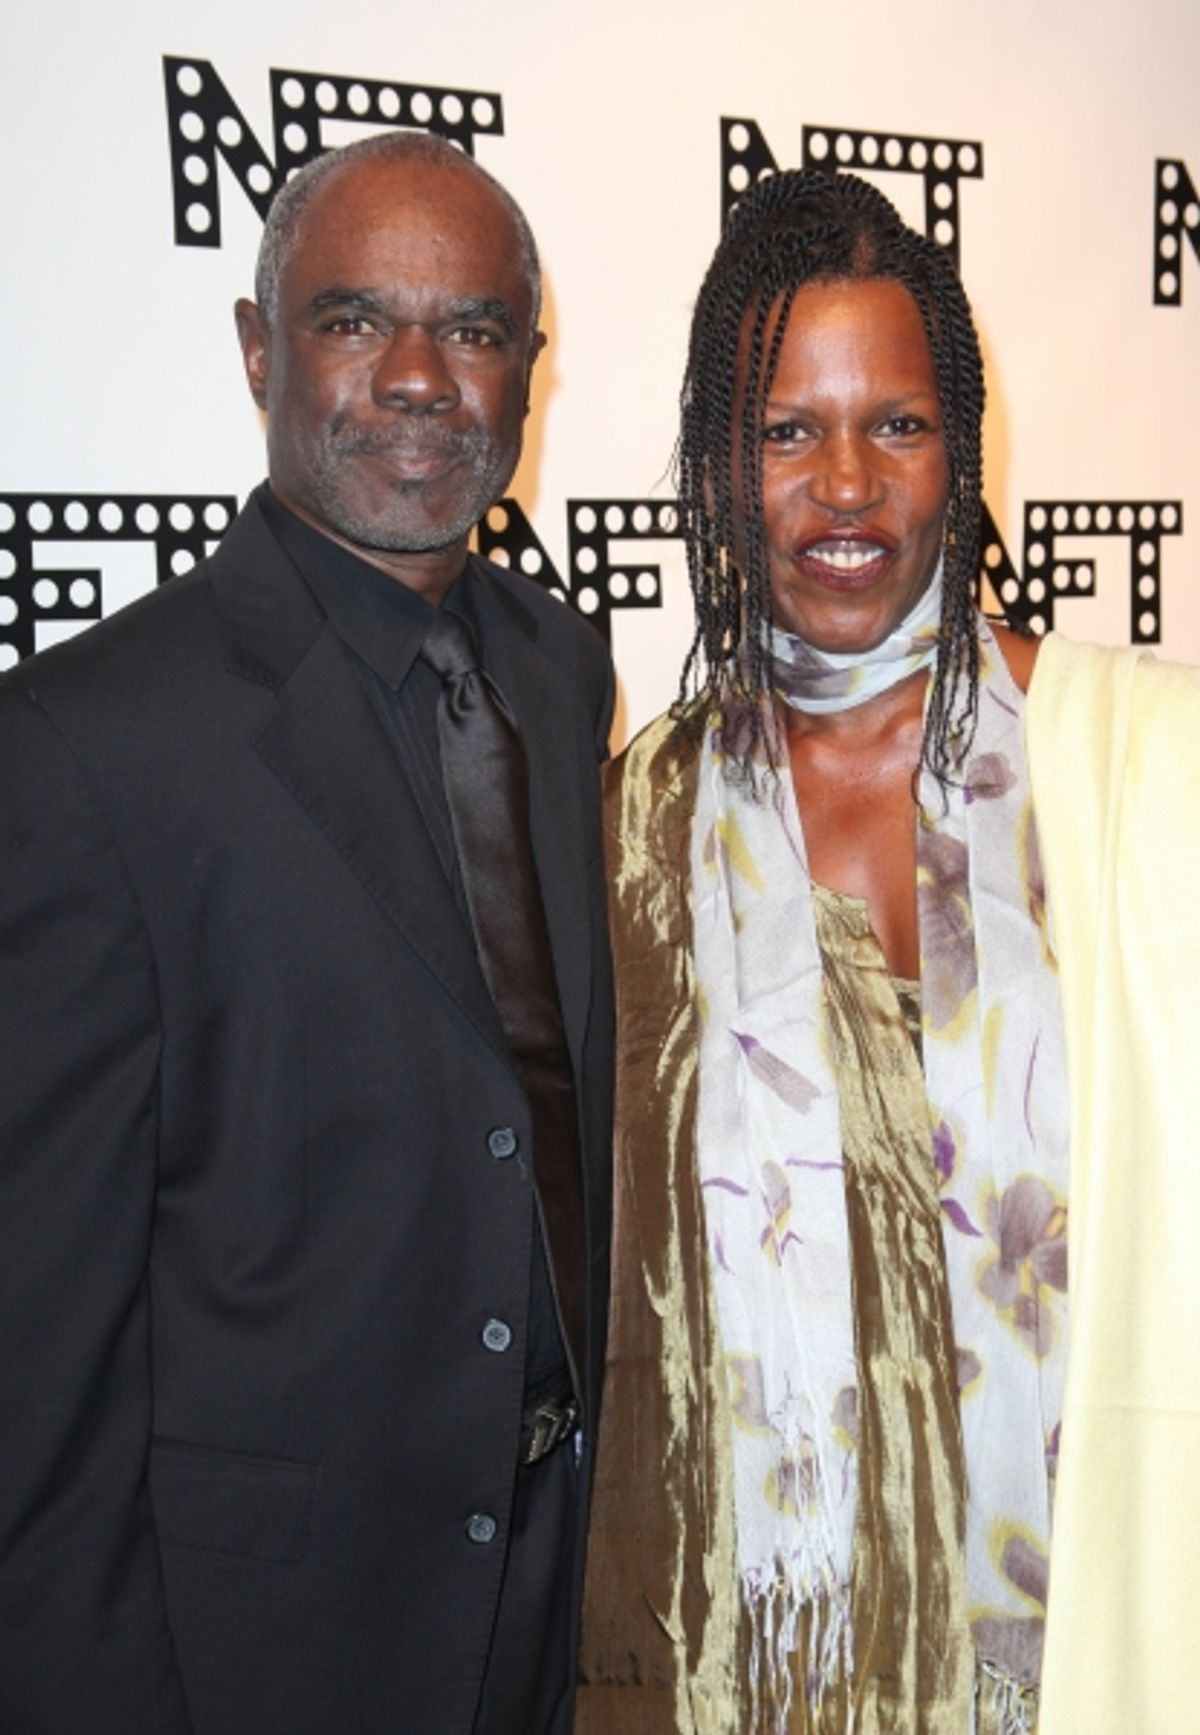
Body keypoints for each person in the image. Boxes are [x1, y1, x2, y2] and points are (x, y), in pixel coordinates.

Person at [0, 131, 613, 1735]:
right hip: (275, 1646)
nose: (420, 377)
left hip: (559, 1604)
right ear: (261, 350)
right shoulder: (86, 746)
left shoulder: (563, 675)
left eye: (474, 330)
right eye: (357, 320)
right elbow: (38, 1387)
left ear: (526, 375)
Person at [576, 169, 1200, 1734]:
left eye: (899, 425)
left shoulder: (1143, 767)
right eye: (787, 430)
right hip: (750, 1660)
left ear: (964, 450)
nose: (845, 485)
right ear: (720, 466)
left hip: (1079, 1644)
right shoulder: (633, 827)